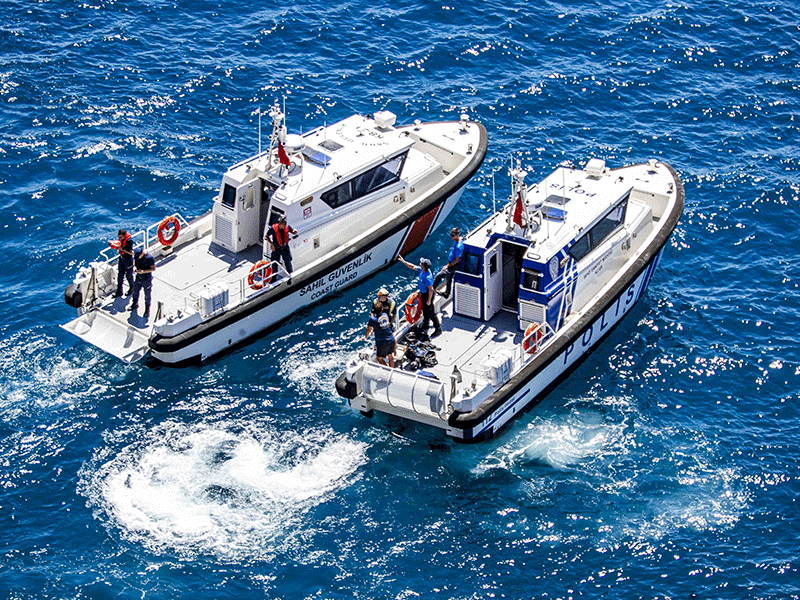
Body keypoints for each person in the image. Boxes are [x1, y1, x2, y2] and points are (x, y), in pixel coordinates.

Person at [397, 255, 442, 338]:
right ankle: (425, 327)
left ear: (423, 266)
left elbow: (431, 289)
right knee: (425, 312)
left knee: (431, 313)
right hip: (423, 294)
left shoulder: (427, 277)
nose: (420, 263)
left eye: (421, 263)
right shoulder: (422, 270)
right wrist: (403, 261)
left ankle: (438, 329)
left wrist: (429, 300)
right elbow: (412, 266)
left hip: (428, 295)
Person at [433, 227, 463, 298]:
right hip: (451, 262)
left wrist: (447, 266)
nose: (451, 237)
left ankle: (431, 290)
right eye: (451, 235)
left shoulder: (458, 246)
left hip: (454, 265)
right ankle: (447, 293)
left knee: (439, 275)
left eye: (453, 235)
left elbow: (457, 260)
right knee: (449, 278)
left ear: (457, 235)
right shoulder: (458, 240)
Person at [364, 300, 396, 367]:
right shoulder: (385, 315)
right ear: (382, 309)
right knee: (390, 356)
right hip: (391, 339)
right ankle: (392, 369)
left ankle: (387, 370)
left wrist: (366, 337)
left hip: (382, 343)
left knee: (379, 358)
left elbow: (368, 329)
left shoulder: (372, 320)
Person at [267, 216, 298, 282]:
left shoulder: (287, 227)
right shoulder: (273, 229)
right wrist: (271, 243)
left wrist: (294, 231)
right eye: (283, 224)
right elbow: (267, 236)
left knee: (288, 262)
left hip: (285, 248)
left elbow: (292, 231)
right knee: (274, 263)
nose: (284, 226)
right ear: (280, 223)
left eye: (285, 224)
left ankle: (290, 277)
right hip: (276, 248)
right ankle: (273, 278)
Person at [130, 247, 156, 318]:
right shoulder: (136, 257)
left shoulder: (149, 258)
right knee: (135, 291)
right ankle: (134, 304)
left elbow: (153, 268)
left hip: (146, 279)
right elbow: (134, 262)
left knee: (147, 295)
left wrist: (143, 271)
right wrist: (134, 268)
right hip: (138, 278)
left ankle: (147, 310)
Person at [109, 229, 134, 297]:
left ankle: (132, 288)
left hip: (128, 260)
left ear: (124, 236)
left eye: (121, 237)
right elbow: (119, 244)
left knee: (129, 276)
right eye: (119, 237)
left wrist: (122, 249)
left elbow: (130, 252)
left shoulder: (129, 241)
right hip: (121, 258)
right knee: (120, 275)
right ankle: (119, 290)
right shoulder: (122, 240)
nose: (119, 238)